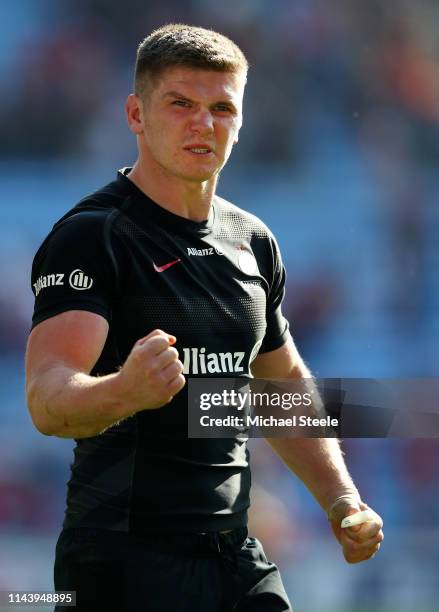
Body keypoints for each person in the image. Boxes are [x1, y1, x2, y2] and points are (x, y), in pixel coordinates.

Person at [25, 24, 383, 612]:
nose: (204, 123)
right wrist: (125, 390)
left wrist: (342, 500)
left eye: (222, 107)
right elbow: (45, 397)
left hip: (234, 555)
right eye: (181, 104)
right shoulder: (93, 237)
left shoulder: (252, 241)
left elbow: (280, 389)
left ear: (240, 120)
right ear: (136, 115)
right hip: (121, 560)